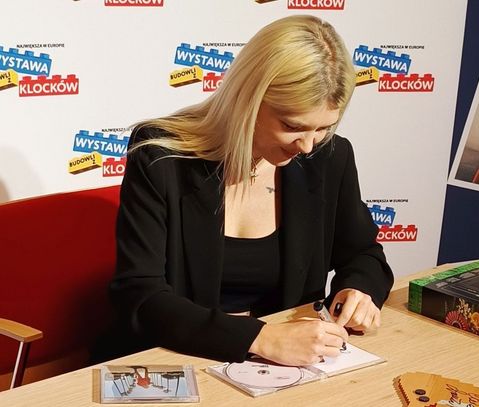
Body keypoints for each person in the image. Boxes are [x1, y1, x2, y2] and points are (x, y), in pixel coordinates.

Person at [108, 15, 393, 367]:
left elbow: (364, 253)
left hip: (289, 368)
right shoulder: (161, 156)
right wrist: (261, 338)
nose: (307, 145)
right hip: (177, 357)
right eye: (292, 126)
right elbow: (140, 295)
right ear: (249, 98)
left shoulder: (330, 156)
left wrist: (358, 290)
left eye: (323, 128)